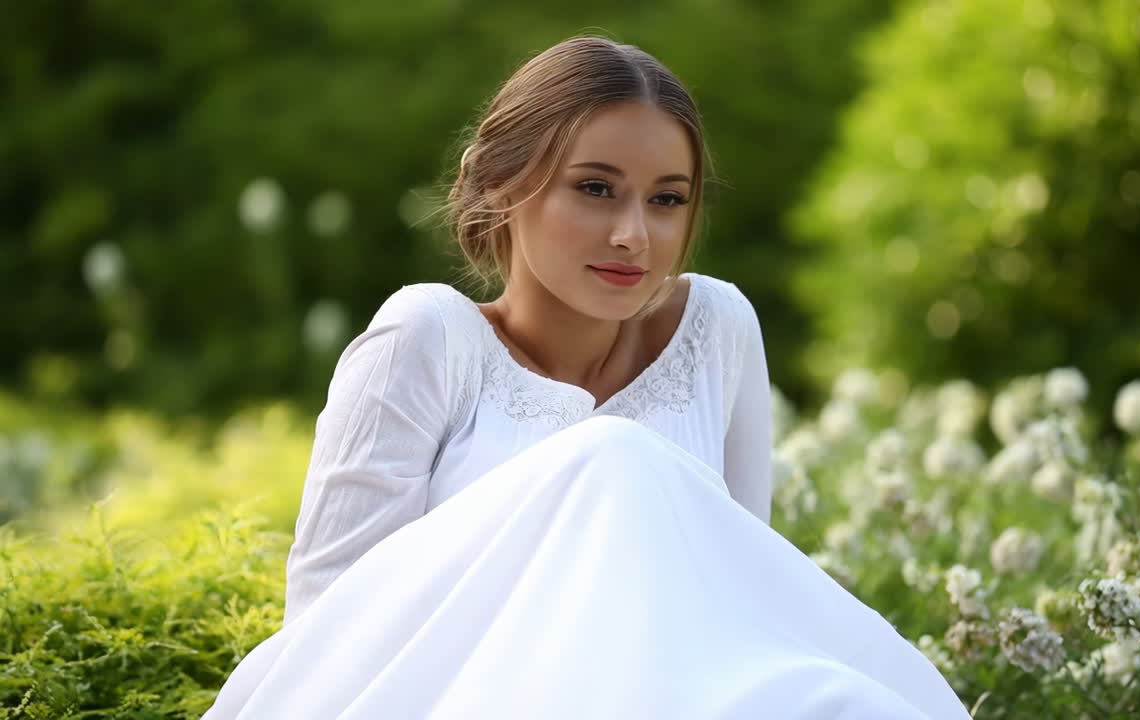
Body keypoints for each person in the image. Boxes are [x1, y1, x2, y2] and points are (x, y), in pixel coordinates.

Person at [202, 34, 969, 719]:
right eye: (596, 188)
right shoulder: (425, 340)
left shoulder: (717, 329)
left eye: (667, 200)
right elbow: (326, 636)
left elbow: (743, 593)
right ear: (499, 183)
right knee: (614, 458)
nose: (634, 235)